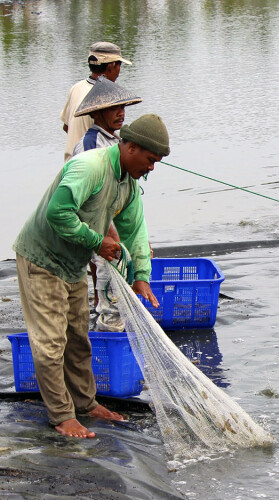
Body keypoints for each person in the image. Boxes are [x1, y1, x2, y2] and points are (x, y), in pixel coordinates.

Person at [13, 114, 170, 438]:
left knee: (78, 341)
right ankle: (61, 415)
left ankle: (85, 404)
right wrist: (98, 242)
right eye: (150, 160)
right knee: (51, 342)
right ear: (129, 147)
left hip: (72, 265)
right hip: (41, 259)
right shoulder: (91, 167)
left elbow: (135, 231)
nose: (151, 168)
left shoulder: (127, 183)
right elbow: (59, 213)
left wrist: (141, 275)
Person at [71, 77, 143, 331]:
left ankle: (116, 322)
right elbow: (92, 200)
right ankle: (108, 327)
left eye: (123, 108)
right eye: (114, 109)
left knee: (122, 277)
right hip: (97, 226)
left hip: (114, 222)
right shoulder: (90, 145)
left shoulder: (116, 141)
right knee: (106, 277)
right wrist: (110, 234)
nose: (121, 113)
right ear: (98, 112)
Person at [60, 42, 132, 163]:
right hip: (91, 164)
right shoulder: (104, 96)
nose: (119, 72)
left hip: (70, 164)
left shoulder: (76, 88)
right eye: (119, 65)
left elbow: (67, 127)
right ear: (112, 65)